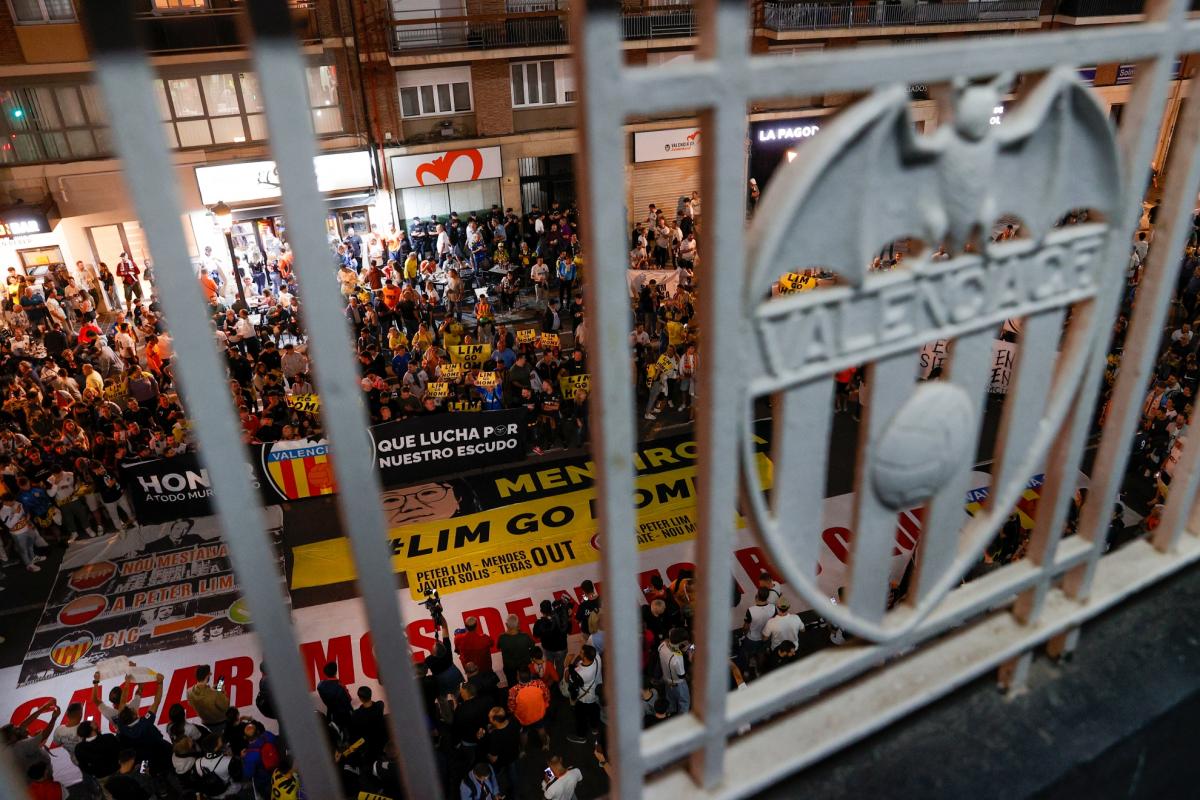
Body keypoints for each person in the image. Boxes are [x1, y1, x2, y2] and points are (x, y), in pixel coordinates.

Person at [565, 645, 601, 744]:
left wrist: (567, 664)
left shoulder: (580, 673)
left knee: (580, 716)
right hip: (593, 692)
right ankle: (594, 728)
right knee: (594, 710)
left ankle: (581, 736)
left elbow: (567, 679)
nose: (579, 653)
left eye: (581, 652)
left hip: (584, 697)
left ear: (585, 657)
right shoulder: (597, 658)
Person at [187, 664, 230, 732]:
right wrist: (223, 692)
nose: (211, 674)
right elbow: (225, 706)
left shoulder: (189, 691)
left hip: (205, 724)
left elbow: (191, 703)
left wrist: (212, 690)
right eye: (210, 673)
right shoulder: (215, 694)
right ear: (207, 675)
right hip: (220, 723)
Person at [533, 600, 569, 681]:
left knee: (549, 667)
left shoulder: (539, 623)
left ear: (541, 611)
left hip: (548, 649)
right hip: (561, 648)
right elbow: (568, 629)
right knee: (560, 666)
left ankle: (551, 683)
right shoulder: (560, 619)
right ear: (551, 609)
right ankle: (558, 682)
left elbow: (535, 635)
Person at [658, 627, 691, 714]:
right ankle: (682, 719)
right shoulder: (677, 658)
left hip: (666, 680)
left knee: (670, 700)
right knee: (684, 702)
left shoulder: (662, 645)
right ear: (682, 642)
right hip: (678, 683)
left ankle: (670, 714)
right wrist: (690, 658)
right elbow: (682, 675)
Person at [498, 614, 535, 687]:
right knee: (527, 685)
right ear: (518, 624)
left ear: (506, 625)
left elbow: (499, 646)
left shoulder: (502, 638)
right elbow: (532, 645)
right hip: (524, 666)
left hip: (509, 668)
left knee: (512, 686)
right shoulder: (524, 636)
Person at [317, 660, 354, 731]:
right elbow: (348, 700)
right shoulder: (340, 686)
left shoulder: (320, 685)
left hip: (331, 714)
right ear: (336, 672)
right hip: (344, 715)